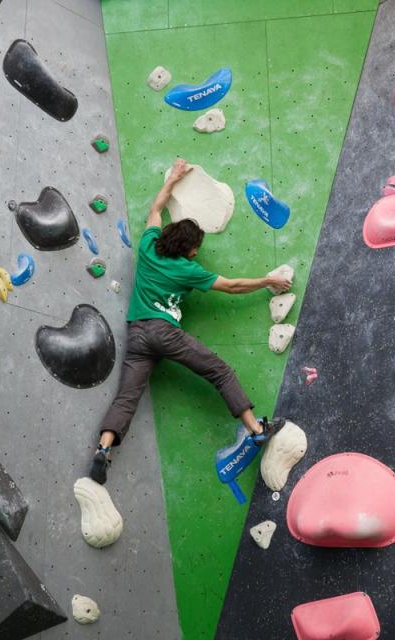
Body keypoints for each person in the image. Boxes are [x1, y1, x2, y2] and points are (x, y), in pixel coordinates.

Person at [89, 158, 293, 484]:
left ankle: (103, 449)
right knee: (220, 371)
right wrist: (267, 280)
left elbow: (156, 207)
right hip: (163, 331)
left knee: (127, 397)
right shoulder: (188, 270)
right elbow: (232, 286)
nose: (198, 253)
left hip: (137, 333)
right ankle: (257, 429)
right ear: (189, 248)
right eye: (197, 248)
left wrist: (174, 179)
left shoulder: (148, 246)